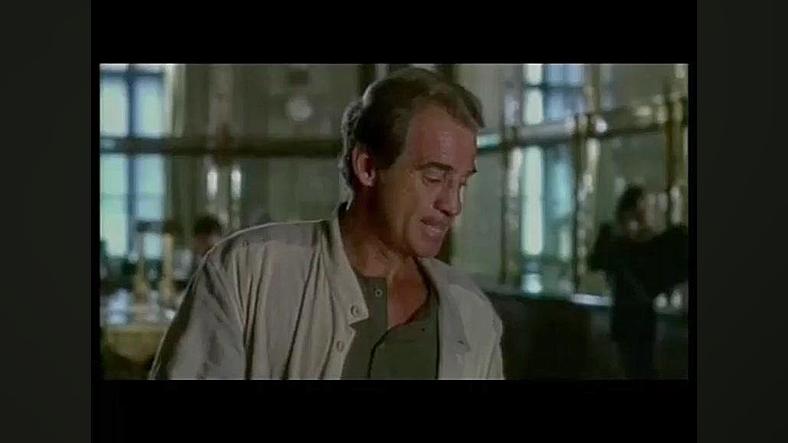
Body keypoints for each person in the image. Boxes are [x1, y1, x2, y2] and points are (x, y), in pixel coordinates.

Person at [150, 67, 504, 380]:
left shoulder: (472, 314)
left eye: (461, 183)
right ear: (367, 168)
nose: (453, 204)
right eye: (434, 177)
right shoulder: (249, 272)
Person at [589, 185, 687, 379]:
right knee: (631, 366)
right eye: (642, 206)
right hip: (628, 313)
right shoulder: (613, 235)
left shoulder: (647, 239)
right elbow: (595, 262)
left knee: (640, 366)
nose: (645, 212)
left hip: (641, 315)